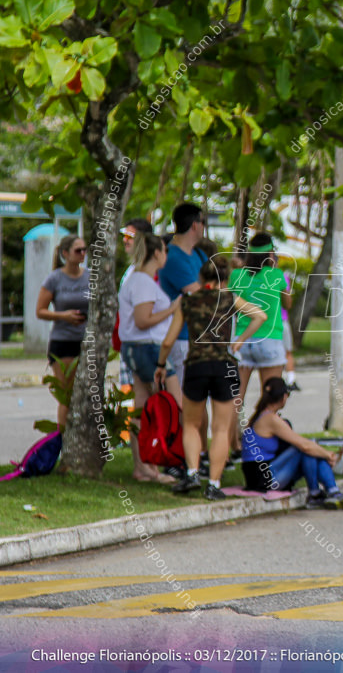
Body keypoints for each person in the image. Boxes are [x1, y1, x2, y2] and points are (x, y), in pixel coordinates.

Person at [155, 257, 267, 500]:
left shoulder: (188, 301)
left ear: (200, 279)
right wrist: (239, 341)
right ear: (224, 279)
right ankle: (214, 485)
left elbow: (167, 341)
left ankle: (193, 473)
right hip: (224, 367)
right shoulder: (229, 299)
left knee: (192, 425)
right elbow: (260, 316)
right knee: (220, 428)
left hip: (196, 367)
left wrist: (161, 364)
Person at [118, 234, 181, 484]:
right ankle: (171, 459)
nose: (166, 256)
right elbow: (143, 320)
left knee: (141, 408)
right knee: (176, 405)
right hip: (148, 348)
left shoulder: (136, 279)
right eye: (165, 250)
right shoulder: (143, 282)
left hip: (135, 347)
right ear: (157, 253)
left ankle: (145, 465)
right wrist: (172, 309)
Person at [241, 378, 343, 509]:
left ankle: (333, 491)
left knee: (311, 453)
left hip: (262, 476)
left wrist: (321, 453)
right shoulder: (270, 419)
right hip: (262, 479)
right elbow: (304, 445)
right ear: (284, 397)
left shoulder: (261, 416)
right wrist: (328, 455)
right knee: (305, 449)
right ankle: (315, 494)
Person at [36, 235, 89, 429]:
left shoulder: (89, 275)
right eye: (78, 250)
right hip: (63, 342)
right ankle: (63, 438)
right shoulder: (55, 278)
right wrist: (63, 316)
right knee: (67, 394)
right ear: (65, 253)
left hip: (85, 340)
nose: (82, 254)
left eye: (85, 250)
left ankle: (81, 436)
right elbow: (40, 311)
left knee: (84, 394)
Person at [229, 232, 290, 402]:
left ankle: (232, 429)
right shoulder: (276, 275)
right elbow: (288, 304)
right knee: (270, 400)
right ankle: (261, 428)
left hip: (241, 341)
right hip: (270, 339)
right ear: (270, 253)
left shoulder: (236, 275)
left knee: (235, 400)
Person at [158, 203, 208, 384]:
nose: (204, 227)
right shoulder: (173, 257)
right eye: (203, 222)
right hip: (181, 339)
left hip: (197, 338)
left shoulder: (199, 254)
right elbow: (202, 294)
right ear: (195, 225)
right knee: (186, 402)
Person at [118, 219, 155, 388]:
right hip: (130, 340)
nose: (125, 240)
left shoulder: (150, 269)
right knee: (132, 396)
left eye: (129, 236)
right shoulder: (132, 269)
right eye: (124, 235)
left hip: (145, 343)